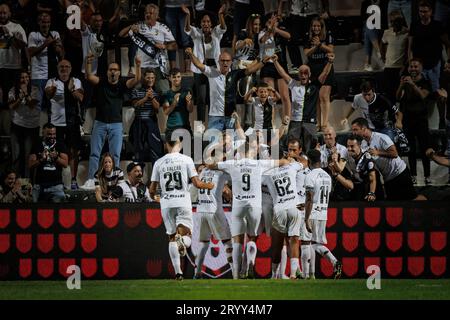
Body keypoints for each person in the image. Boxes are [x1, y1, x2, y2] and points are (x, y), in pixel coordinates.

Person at [207, 141, 292, 279]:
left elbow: (210, 164)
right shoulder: (259, 164)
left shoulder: (232, 164)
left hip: (239, 206)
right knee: (252, 237)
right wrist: (287, 161)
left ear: (240, 152)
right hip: (255, 205)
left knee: (238, 240)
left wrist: (216, 149)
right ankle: (251, 262)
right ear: (251, 152)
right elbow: (282, 162)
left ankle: (236, 275)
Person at [149, 139, 214, 281]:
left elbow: (152, 189)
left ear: (166, 145)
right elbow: (196, 183)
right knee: (188, 235)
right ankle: (182, 242)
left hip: (166, 204)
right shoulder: (186, 159)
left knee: (171, 237)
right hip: (182, 201)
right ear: (179, 145)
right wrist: (210, 186)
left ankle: (178, 273)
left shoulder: (158, 162)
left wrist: (157, 198)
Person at [80, 54, 141, 190]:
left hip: (116, 124)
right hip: (100, 122)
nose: (113, 71)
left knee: (115, 154)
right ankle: (92, 180)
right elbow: (89, 77)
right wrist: (88, 63)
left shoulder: (122, 83)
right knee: (95, 153)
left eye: (115, 69)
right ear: (107, 72)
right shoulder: (102, 81)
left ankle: (115, 180)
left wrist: (137, 66)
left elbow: (136, 79)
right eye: (110, 69)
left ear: (119, 72)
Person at [186, 47, 267, 133]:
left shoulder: (235, 74)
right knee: (214, 144)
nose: (225, 62)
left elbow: (250, 70)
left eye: (227, 61)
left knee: (230, 144)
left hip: (231, 116)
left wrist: (263, 62)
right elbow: (198, 65)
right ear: (219, 61)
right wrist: (191, 54)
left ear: (231, 62)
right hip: (214, 116)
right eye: (222, 60)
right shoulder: (211, 72)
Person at [351, 117, 419, 200]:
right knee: (393, 204)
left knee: (413, 200)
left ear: (364, 128)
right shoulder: (363, 144)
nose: (353, 133)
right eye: (353, 130)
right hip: (387, 178)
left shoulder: (381, 137)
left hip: (400, 173)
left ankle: (428, 204)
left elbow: (395, 153)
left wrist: (378, 152)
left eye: (355, 129)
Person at [273, 55, 326, 152]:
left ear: (309, 74)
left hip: (309, 122)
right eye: (301, 73)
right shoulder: (293, 84)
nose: (303, 75)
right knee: (292, 146)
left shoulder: (314, 85)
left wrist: (330, 63)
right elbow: (282, 73)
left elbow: (325, 74)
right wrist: (275, 61)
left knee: (310, 148)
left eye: (305, 73)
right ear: (298, 74)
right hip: (295, 121)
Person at [119, 4, 177, 93]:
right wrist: (130, 27)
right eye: (146, 12)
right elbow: (121, 35)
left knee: (165, 92)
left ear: (157, 16)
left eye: (151, 13)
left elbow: (174, 45)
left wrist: (164, 46)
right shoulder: (138, 26)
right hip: (141, 67)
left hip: (158, 66)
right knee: (136, 91)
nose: (148, 15)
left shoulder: (163, 28)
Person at [183, 4, 227, 122]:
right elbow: (187, 29)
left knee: (212, 98)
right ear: (200, 23)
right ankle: (200, 127)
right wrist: (188, 15)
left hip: (214, 70)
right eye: (203, 22)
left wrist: (220, 14)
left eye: (208, 21)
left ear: (211, 23)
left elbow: (223, 27)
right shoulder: (197, 34)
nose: (206, 24)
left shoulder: (216, 33)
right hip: (200, 70)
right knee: (201, 99)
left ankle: (212, 124)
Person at [264, 150, 304, 279]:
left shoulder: (267, 173)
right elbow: (305, 162)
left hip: (280, 208)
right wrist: (294, 156)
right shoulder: (291, 166)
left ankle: (274, 274)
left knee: (277, 244)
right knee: (294, 240)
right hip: (294, 206)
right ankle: (293, 273)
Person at [45, 60, 84, 190]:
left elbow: (80, 98)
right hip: (57, 124)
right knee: (57, 153)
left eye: (67, 66)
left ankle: (73, 180)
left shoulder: (76, 81)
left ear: (71, 68)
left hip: (73, 122)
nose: (64, 69)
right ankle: (58, 181)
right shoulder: (51, 81)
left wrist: (72, 89)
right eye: (61, 66)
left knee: (73, 151)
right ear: (57, 68)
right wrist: (54, 88)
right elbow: (48, 94)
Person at [304, 149, 342, 279]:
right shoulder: (327, 176)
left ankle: (308, 274)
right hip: (323, 213)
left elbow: (309, 198)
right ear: (320, 160)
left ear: (309, 161)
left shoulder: (310, 175)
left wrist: (306, 218)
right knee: (316, 244)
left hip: (313, 213)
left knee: (306, 244)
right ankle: (334, 262)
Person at [194, 164, 233, 279]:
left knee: (203, 243)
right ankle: (235, 274)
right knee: (227, 242)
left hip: (200, 210)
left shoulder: (203, 171)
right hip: (214, 210)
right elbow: (227, 191)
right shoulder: (221, 173)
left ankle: (197, 273)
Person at [396, 58, 432, 185]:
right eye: (411, 66)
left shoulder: (426, 82)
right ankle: (413, 176)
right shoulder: (405, 81)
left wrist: (412, 85)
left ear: (421, 68)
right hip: (408, 121)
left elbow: (423, 95)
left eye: (416, 66)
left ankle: (427, 176)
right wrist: (401, 85)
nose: (413, 69)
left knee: (425, 149)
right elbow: (398, 97)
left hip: (421, 120)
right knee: (410, 150)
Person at [408, 0, 450, 94]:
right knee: (418, 92)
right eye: (421, 11)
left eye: (425, 11)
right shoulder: (414, 25)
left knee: (436, 92)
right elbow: (410, 46)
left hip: (434, 65)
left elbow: (448, 44)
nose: (423, 14)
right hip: (419, 66)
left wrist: (448, 61)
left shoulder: (437, 26)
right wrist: (410, 63)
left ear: (431, 12)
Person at [0, 3, 27, 136]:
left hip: (13, 68)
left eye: (5, 12)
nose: (2, 15)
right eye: (0, 13)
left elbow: (22, 45)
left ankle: (12, 131)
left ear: (10, 13)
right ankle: (3, 133)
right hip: (0, 67)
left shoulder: (17, 27)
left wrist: (10, 35)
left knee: (12, 101)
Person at [27, 12, 63, 113]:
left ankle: (51, 127)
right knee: (37, 105)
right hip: (38, 76)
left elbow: (61, 55)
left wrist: (57, 47)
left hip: (52, 74)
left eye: (48, 22)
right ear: (39, 22)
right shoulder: (33, 35)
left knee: (53, 104)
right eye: (43, 22)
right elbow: (31, 52)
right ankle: (37, 126)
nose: (45, 24)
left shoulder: (55, 34)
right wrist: (46, 44)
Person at [303, 17, 335, 131]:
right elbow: (307, 53)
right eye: (314, 26)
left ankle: (325, 124)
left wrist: (320, 45)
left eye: (318, 26)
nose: (316, 28)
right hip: (313, 70)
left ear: (322, 27)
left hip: (326, 68)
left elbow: (331, 50)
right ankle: (318, 123)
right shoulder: (308, 37)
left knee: (324, 96)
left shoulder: (328, 36)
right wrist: (316, 46)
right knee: (316, 97)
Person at [258, 14, 291, 119]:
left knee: (285, 96)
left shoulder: (280, 31)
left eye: (275, 21)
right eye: (270, 21)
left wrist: (275, 29)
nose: (272, 23)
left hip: (281, 64)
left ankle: (287, 121)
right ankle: (269, 122)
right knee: (270, 97)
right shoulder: (263, 32)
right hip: (268, 66)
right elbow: (262, 41)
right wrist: (270, 30)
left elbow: (289, 36)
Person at [8, 71, 40, 179]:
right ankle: (15, 181)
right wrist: (20, 98)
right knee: (16, 155)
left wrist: (26, 94)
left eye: (26, 77)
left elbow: (32, 105)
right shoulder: (13, 90)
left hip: (31, 127)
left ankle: (27, 182)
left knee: (28, 156)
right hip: (17, 125)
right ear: (18, 79)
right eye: (22, 77)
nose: (24, 79)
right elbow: (12, 106)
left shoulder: (35, 90)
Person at [130, 69, 164, 165]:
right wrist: (145, 98)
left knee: (155, 151)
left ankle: (155, 179)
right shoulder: (136, 91)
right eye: (148, 77)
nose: (150, 80)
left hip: (152, 123)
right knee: (138, 152)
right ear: (143, 78)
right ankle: (138, 177)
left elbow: (157, 109)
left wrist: (152, 97)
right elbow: (135, 105)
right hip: (139, 122)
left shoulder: (157, 92)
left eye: (152, 78)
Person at [28, 123, 69, 203]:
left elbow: (65, 164)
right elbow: (30, 165)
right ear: (43, 133)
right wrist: (41, 159)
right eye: (49, 134)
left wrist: (56, 158)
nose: (52, 136)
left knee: (58, 212)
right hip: (39, 185)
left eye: (54, 134)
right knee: (36, 212)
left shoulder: (60, 145)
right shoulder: (37, 145)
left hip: (56, 186)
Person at [381, 10, 409, 103]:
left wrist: (405, 66)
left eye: (396, 21)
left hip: (400, 68)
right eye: (391, 21)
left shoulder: (406, 33)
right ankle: (391, 115)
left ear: (401, 21)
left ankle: (401, 115)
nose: (393, 23)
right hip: (388, 67)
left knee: (400, 95)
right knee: (389, 94)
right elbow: (382, 44)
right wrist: (384, 58)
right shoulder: (387, 32)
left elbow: (408, 51)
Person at [347, 134, 384, 201]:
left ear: (359, 145)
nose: (349, 149)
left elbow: (372, 178)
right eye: (348, 146)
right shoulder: (348, 155)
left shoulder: (367, 157)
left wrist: (372, 193)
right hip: (361, 184)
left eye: (352, 146)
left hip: (373, 186)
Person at [162, 68, 193, 140]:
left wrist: (188, 102)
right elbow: (166, 112)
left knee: (187, 151)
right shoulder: (166, 94)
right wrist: (174, 103)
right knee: (174, 150)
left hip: (185, 127)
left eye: (178, 77)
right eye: (174, 77)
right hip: (172, 128)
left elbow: (190, 109)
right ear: (170, 78)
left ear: (181, 77)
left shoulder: (187, 91)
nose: (176, 79)